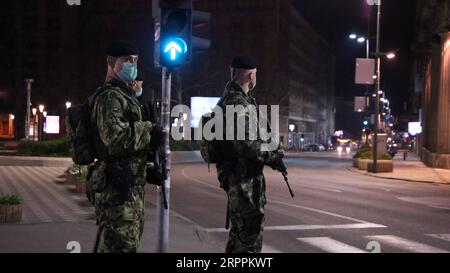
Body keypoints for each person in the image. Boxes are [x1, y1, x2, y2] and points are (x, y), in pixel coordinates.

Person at [89, 40, 162, 252]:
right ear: (111, 62)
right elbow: (114, 139)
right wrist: (149, 130)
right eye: (127, 60)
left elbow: (125, 149)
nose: (133, 65)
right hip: (117, 195)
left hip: (127, 190)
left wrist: (145, 170)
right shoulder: (110, 96)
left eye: (136, 60)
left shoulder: (124, 96)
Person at [215, 55, 285, 253]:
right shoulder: (236, 103)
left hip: (245, 179)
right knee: (248, 240)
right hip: (243, 181)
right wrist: (272, 157)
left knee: (240, 239)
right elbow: (246, 145)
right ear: (250, 75)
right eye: (255, 74)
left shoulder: (239, 100)